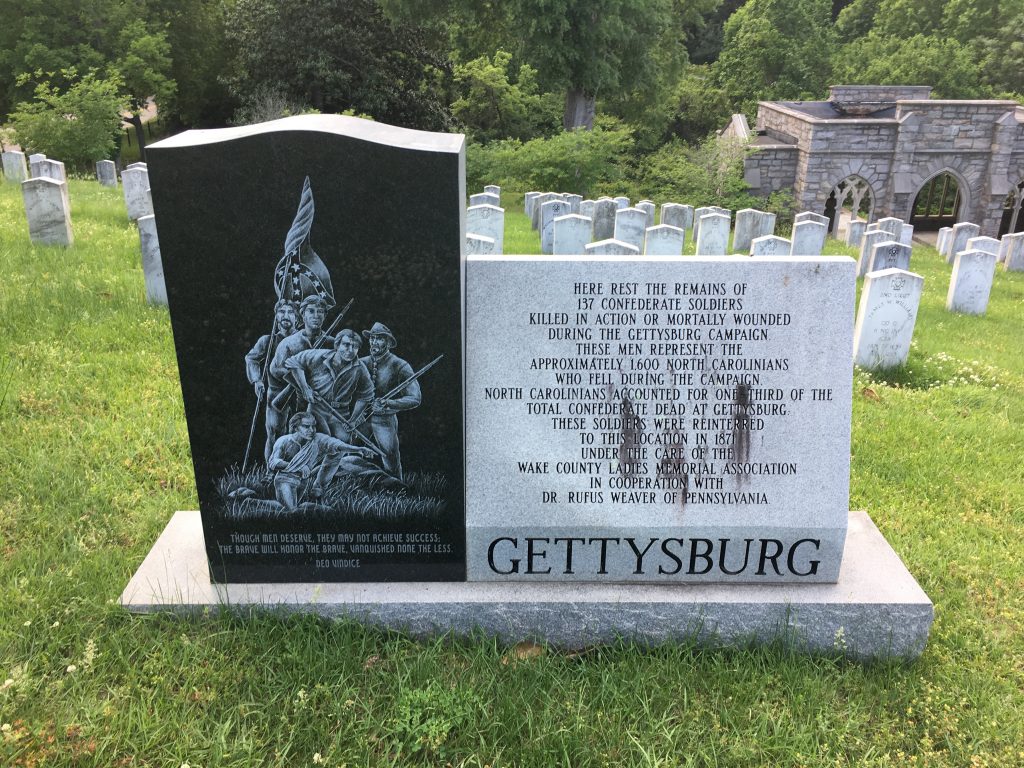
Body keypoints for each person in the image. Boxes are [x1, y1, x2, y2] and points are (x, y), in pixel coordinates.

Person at [268, 412, 374, 511]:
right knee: (291, 511)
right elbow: (274, 462)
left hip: (302, 481)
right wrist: (297, 467)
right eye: (306, 426)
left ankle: (326, 510)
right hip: (285, 480)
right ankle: (254, 502)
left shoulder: (317, 439)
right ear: (295, 428)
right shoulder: (284, 441)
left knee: (294, 508)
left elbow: (338, 444)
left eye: (313, 426)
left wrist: (359, 450)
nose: (311, 430)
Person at [284, 329, 373, 441]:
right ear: (337, 345)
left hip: (341, 413)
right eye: (346, 345)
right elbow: (293, 362)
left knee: (343, 442)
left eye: (355, 347)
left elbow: (366, 395)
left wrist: (353, 420)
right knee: (319, 440)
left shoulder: (360, 368)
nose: (350, 350)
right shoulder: (318, 355)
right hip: (317, 408)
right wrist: (305, 388)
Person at [360, 322, 421, 481]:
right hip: (358, 417)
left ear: (388, 343)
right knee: (346, 452)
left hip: (384, 419)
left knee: (390, 457)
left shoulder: (400, 365)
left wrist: (389, 403)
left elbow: (415, 398)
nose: (374, 342)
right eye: (372, 338)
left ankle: (395, 489)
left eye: (379, 339)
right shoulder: (360, 363)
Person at [245, 299, 299, 463]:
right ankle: (271, 471)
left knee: (302, 434)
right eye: (282, 312)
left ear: (297, 317)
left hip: (300, 392)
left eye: (290, 312)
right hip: (276, 393)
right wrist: (257, 380)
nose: (286, 316)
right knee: (274, 432)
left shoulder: (304, 339)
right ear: (276, 316)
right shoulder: (267, 341)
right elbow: (252, 359)